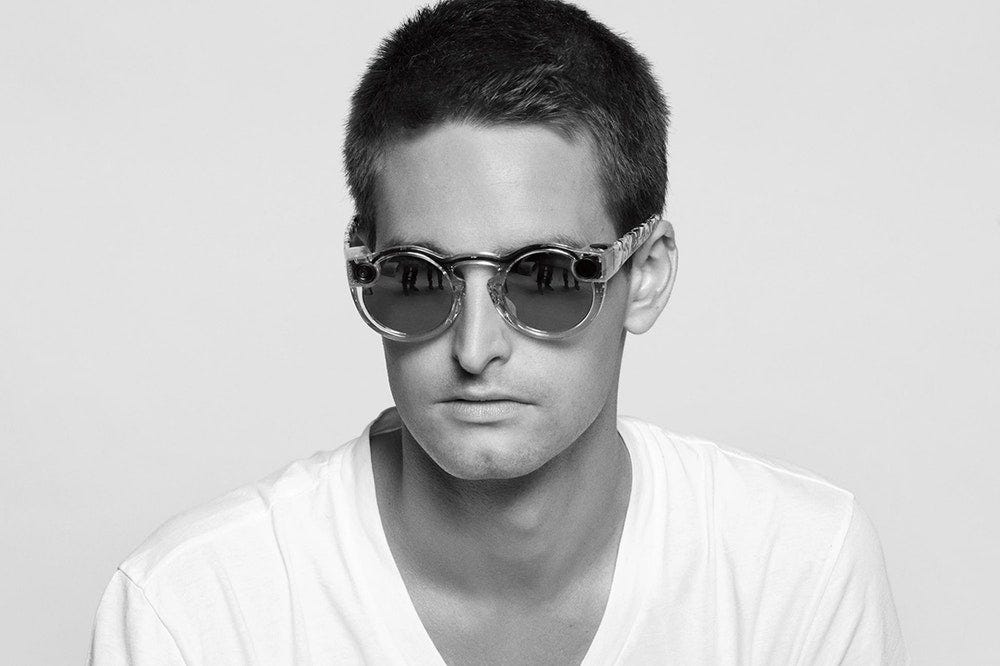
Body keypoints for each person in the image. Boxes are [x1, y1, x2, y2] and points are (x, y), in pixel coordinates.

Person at [88, 0, 908, 663]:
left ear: (646, 274)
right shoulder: (198, 609)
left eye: (544, 277)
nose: (474, 349)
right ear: (360, 273)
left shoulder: (795, 571)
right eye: (417, 279)